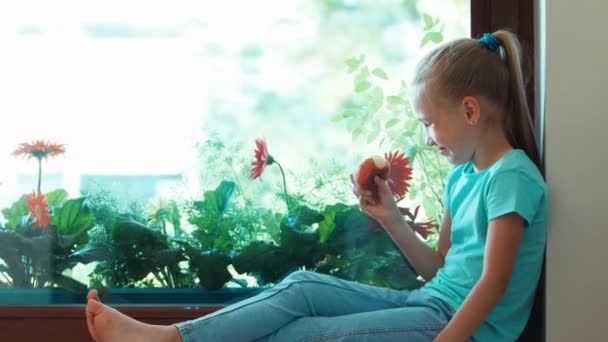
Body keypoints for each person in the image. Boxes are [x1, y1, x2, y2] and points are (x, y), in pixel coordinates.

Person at [85, 30, 549, 342]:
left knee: (304, 332)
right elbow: (440, 267)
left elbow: (493, 282)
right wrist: (388, 218)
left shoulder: (512, 177)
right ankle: (172, 337)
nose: (428, 139)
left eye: (431, 124)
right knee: (302, 285)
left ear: (470, 111)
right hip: (430, 302)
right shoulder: (463, 177)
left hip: (457, 324)